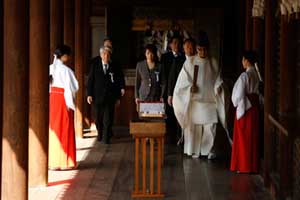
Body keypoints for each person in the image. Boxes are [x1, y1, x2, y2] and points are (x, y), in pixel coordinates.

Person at [173, 31, 228, 159]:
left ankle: (208, 150)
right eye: (199, 49)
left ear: (208, 49)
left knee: (210, 128)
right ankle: (194, 150)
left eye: (204, 50)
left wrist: (218, 87)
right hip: (195, 102)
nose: (202, 52)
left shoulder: (213, 62)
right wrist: (188, 88)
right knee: (195, 130)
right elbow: (181, 84)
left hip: (210, 101)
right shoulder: (190, 62)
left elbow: (218, 80)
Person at [49, 45, 79, 170]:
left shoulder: (50, 68)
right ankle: (65, 162)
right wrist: (70, 102)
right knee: (65, 128)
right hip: (62, 99)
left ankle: (54, 161)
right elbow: (73, 87)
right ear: (65, 56)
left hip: (52, 99)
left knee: (53, 129)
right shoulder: (67, 71)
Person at [230, 51, 260, 173]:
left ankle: (243, 166)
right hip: (254, 109)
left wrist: (236, 103)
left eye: (243, 60)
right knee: (252, 138)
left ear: (247, 61)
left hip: (245, 109)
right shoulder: (256, 75)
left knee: (243, 138)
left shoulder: (245, 76)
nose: (242, 62)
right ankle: (252, 166)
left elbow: (238, 95)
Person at [87, 46, 124, 144]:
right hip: (97, 97)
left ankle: (106, 138)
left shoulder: (114, 66)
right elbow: (90, 80)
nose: (106, 56)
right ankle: (100, 133)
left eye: (108, 54)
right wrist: (89, 95)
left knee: (108, 120)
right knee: (98, 119)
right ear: (101, 55)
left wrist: (118, 97)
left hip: (110, 97)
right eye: (104, 54)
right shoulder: (95, 66)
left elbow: (118, 81)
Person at [160, 36, 185, 144]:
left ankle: (180, 136)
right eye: (174, 43)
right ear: (170, 45)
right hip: (168, 90)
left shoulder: (184, 57)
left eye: (178, 43)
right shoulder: (165, 57)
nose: (176, 45)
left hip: (181, 90)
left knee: (180, 114)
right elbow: (163, 74)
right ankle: (171, 137)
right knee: (169, 114)